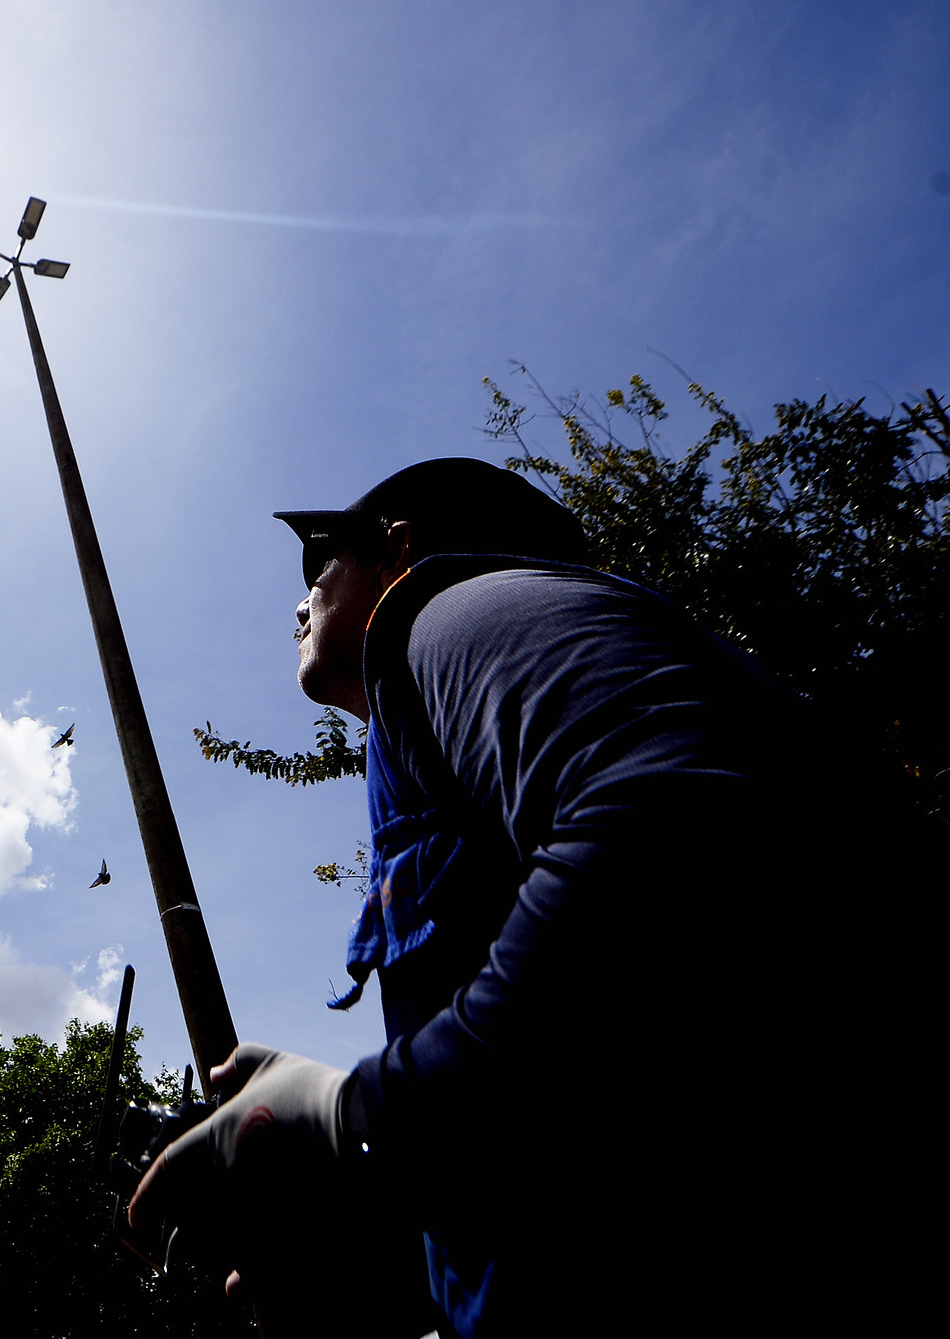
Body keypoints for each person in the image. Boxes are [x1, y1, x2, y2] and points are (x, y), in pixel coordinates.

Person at [127, 457, 917, 1337]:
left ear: (401, 544)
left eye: (322, 557)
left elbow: (680, 834)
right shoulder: (439, 717)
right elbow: (614, 1112)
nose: (301, 595)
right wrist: (389, 1261)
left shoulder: (455, 614)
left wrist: (354, 1110)